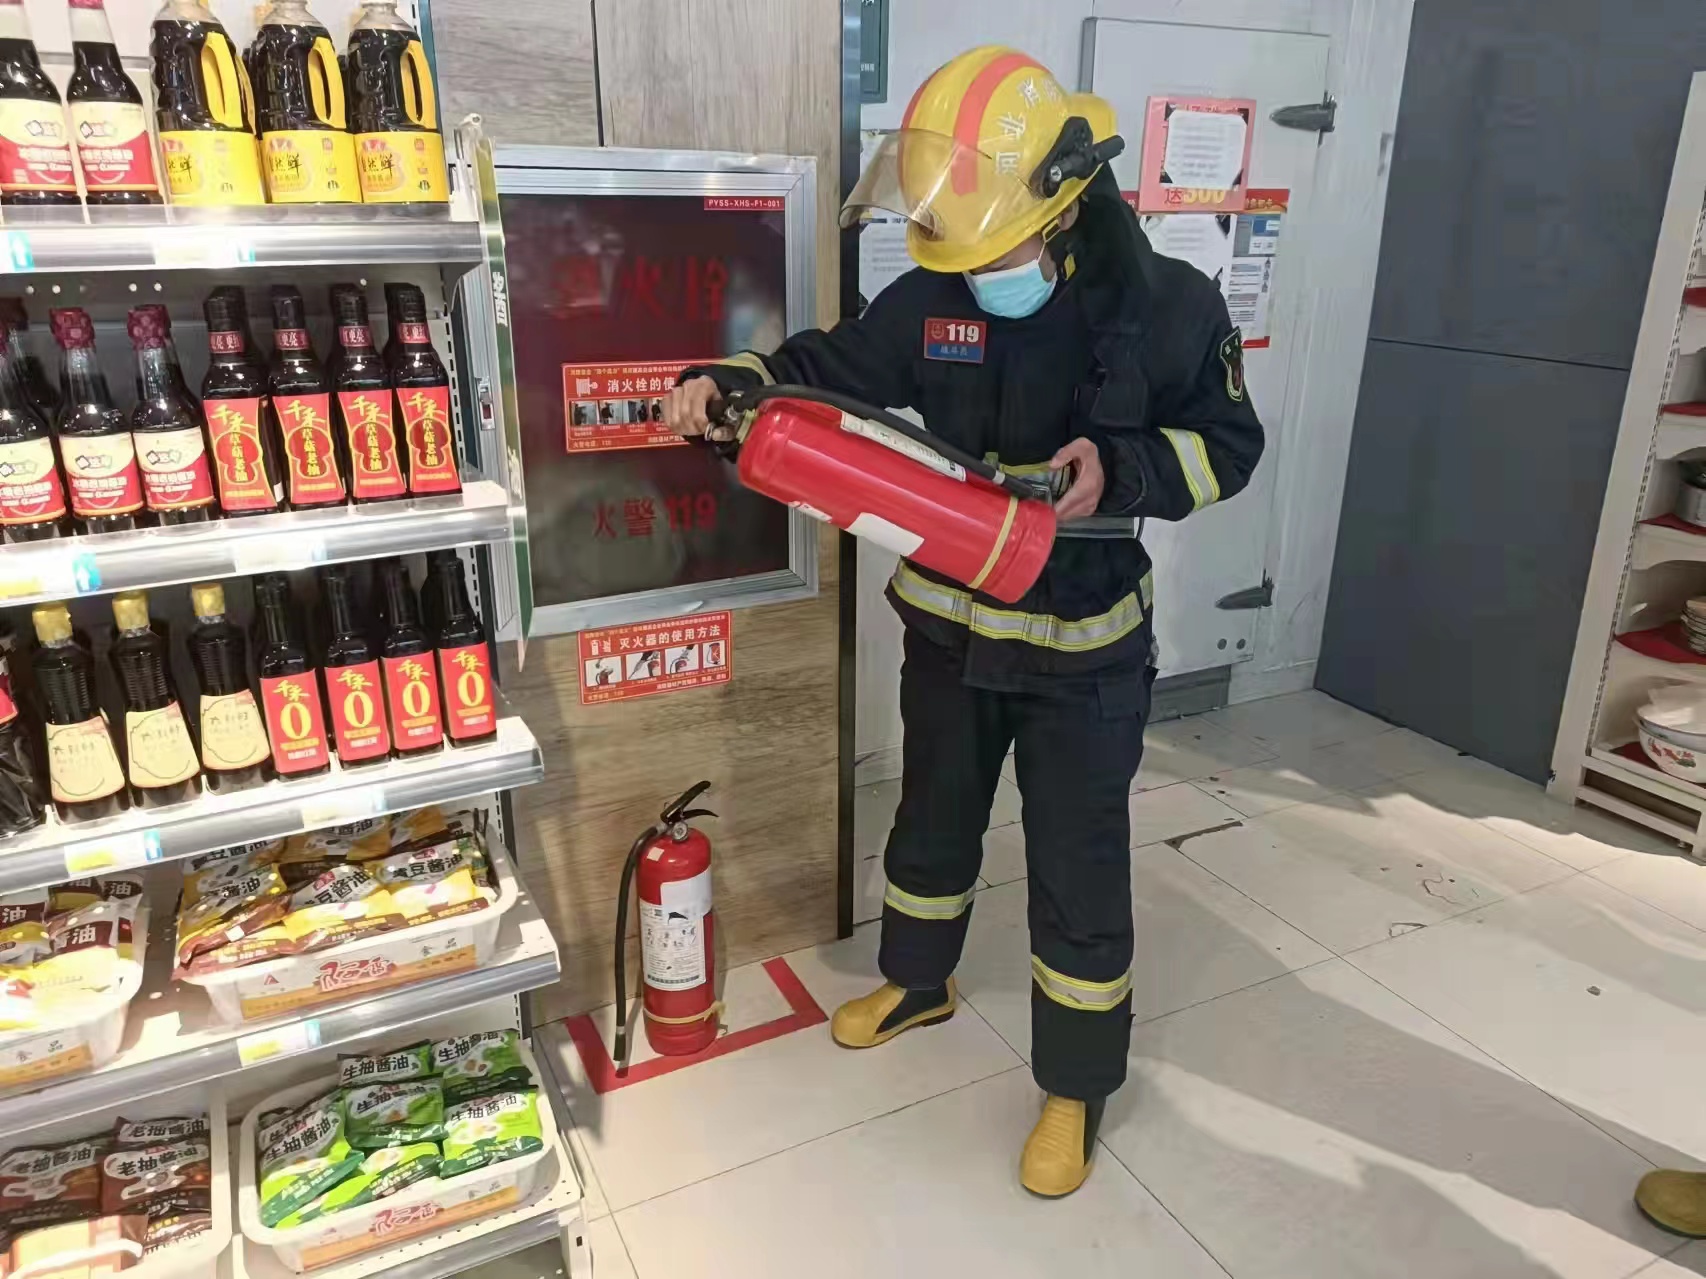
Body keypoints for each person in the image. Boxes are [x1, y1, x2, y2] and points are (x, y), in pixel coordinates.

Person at [661, 45, 1264, 1197]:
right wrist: (730, 379)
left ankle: (1074, 1083)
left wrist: (1126, 469)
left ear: (1064, 205)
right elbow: (824, 367)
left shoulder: (1166, 309)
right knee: (930, 822)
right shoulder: (935, 294)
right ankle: (916, 981)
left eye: (995, 250)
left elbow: (1227, 447)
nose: (978, 273)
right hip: (947, 632)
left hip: (1084, 653)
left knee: (1075, 866)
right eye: (962, 251)